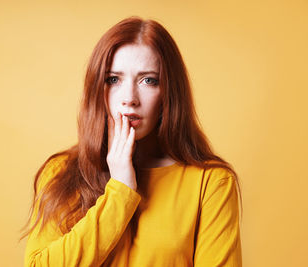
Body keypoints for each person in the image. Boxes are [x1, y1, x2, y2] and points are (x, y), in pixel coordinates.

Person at [20, 16, 242, 266]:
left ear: (169, 91)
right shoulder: (61, 171)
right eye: (114, 79)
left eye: (148, 80)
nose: (129, 98)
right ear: (97, 88)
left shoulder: (210, 182)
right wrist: (120, 192)